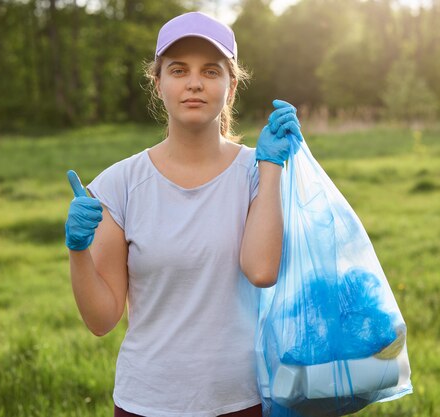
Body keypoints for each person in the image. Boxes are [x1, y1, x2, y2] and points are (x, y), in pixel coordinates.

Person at [64, 11, 303, 417]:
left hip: (240, 399)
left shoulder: (257, 169)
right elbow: (102, 320)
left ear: (231, 86)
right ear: (158, 84)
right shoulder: (119, 184)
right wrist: (77, 250)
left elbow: (262, 270)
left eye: (211, 71)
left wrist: (272, 169)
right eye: (178, 70)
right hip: (146, 401)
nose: (194, 82)